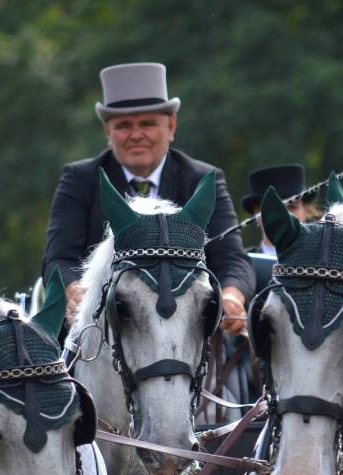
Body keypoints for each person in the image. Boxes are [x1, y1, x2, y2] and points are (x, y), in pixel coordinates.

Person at [41, 62, 254, 335]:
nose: (136, 135)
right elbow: (59, 256)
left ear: (171, 126)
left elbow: (231, 256)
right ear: (108, 132)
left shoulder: (203, 179)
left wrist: (231, 297)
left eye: (148, 124)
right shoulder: (80, 179)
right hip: (100, 327)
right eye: (124, 125)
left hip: (191, 328)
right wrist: (74, 290)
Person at [239, 164, 319, 254]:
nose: (284, 215)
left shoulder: (323, 263)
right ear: (256, 214)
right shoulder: (242, 265)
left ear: (304, 211)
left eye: (292, 207)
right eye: (274, 208)